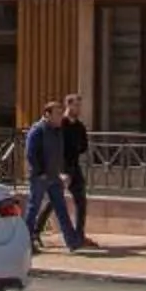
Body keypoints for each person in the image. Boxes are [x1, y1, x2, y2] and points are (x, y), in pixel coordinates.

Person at [22, 99, 86, 253]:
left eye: (60, 113)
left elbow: (60, 153)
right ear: (47, 114)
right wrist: (40, 172)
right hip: (40, 177)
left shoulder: (57, 131)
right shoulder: (38, 130)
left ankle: (72, 241)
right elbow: (31, 154)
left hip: (54, 176)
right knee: (33, 209)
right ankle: (25, 241)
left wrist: (61, 172)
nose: (60, 117)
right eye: (57, 114)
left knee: (61, 209)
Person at [59, 91, 93, 238]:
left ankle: (79, 234)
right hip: (62, 167)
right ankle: (36, 231)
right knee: (54, 200)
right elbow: (57, 147)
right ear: (69, 105)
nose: (79, 109)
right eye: (76, 106)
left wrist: (77, 147)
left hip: (75, 167)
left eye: (80, 106)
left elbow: (84, 146)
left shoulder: (79, 126)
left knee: (81, 200)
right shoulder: (61, 124)